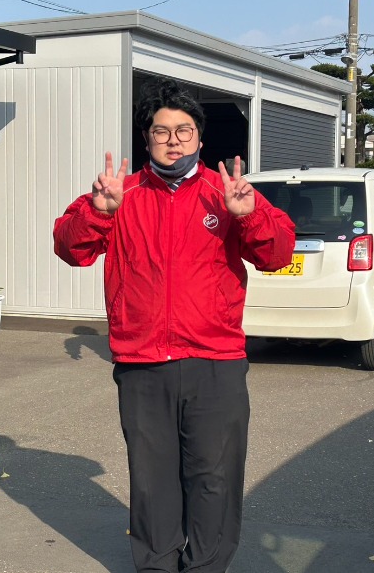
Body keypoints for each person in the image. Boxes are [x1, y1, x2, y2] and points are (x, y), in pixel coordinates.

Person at [53, 76, 295, 573]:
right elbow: (70, 248)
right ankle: (157, 565)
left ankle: (206, 566)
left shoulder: (225, 193)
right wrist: (98, 212)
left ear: (199, 137)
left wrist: (249, 216)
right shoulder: (121, 194)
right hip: (143, 362)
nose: (173, 141)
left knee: (214, 479)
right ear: (147, 139)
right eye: (161, 132)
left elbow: (277, 254)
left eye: (184, 131)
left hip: (215, 361)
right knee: (151, 481)